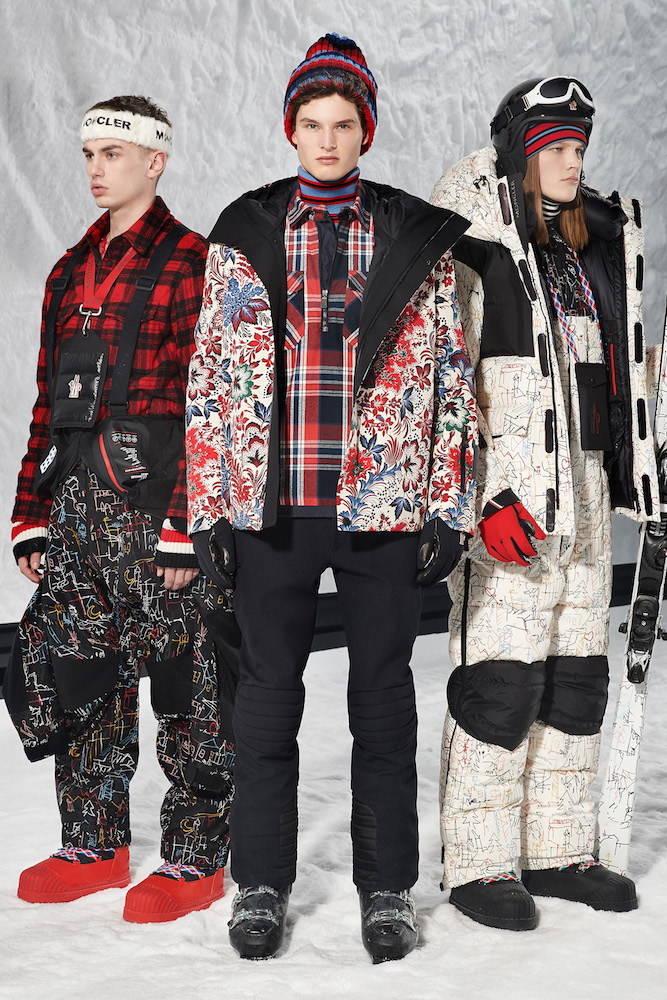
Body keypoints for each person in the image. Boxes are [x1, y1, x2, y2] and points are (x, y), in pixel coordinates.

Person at [186, 33, 478, 962]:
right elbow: (210, 377)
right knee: (266, 701)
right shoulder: (245, 231)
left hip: (379, 504)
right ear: (290, 130)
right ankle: (258, 884)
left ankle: (386, 888)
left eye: (342, 124)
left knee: (383, 701)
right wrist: (207, 508)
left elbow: (450, 378)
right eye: (310, 123)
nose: (325, 140)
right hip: (272, 507)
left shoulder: (412, 237)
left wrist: (449, 504)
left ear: (366, 131)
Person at [430, 77, 660, 930]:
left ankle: (556, 849)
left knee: (573, 680)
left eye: (578, 148)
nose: (573, 162)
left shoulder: (588, 248)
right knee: (501, 681)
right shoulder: (472, 244)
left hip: (587, 496)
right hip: (511, 502)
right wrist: (477, 495)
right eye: (556, 148)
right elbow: (441, 382)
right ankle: (479, 864)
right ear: (519, 154)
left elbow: (613, 378)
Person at [6, 95, 237, 924]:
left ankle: (195, 855)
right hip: (75, 510)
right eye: (89, 154)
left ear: (154, 161)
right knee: (80, 676)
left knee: (184, 682)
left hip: (157, 508)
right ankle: (93, 844)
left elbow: (212, 404)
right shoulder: (68, 271)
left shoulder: (193, 263)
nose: (97, 169)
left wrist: (187, 523)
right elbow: (47, 401)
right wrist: (31, 509)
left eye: (113, 153)